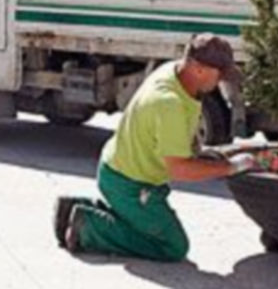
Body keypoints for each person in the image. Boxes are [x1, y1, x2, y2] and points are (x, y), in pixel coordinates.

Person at [53, 33, 258, 262]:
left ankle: (76, 208)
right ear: (198, 69)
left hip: (122, 171)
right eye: (220, 73)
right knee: (171, 246)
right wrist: (229, 168)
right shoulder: (169, 103)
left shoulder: (175, 71)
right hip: (129, 184)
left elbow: (176, 137)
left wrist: (203, 153)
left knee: (151, 227)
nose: (222, 79)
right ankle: (88, 228)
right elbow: (179, 170)